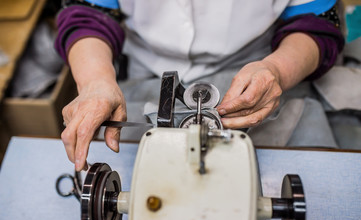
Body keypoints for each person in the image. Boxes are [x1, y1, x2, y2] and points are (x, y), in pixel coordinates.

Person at [55, 0, 344, 171]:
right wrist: (96, 80)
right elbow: (87, 13)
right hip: (145, 64)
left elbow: (315, 22)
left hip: (256, 62)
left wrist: (277, 71)